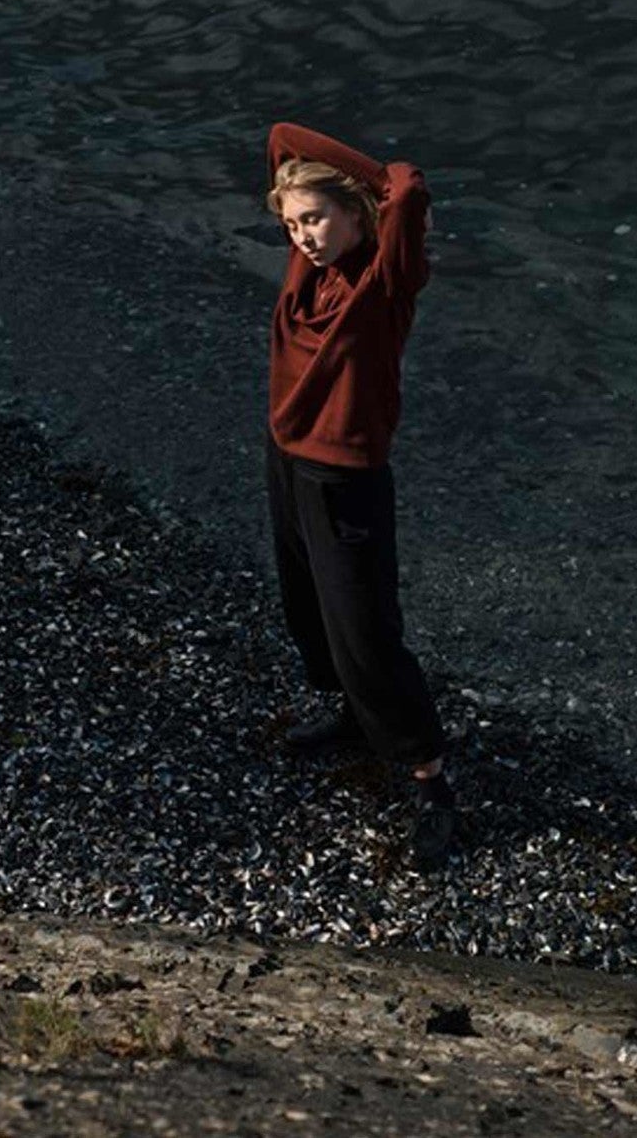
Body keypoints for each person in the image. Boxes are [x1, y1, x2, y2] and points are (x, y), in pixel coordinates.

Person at [261, 120, 458, 872]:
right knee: (306, 605)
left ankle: (430, 775)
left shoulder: (384, 281)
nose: (304, 236)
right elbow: (281, 136)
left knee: (366, 628)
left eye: (314, 218)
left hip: (347, 476)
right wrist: (302, 196)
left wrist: (374, 189)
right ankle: (350, 716)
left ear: (354, 212)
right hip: (285, 457)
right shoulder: (306, 268)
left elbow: (406, 186)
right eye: (291, 224)